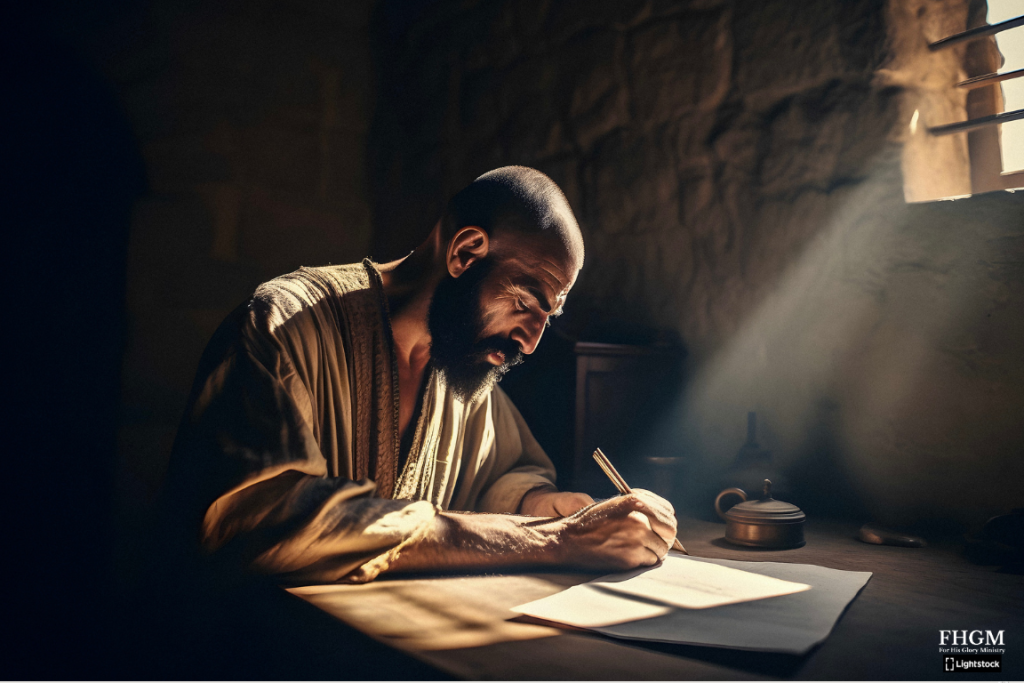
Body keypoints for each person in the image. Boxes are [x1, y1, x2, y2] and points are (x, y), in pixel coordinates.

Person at [162, 166, 677, 585]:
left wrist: (545, 506)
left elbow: (502, 475)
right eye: (524, 303)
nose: (531, 341)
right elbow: (263, 520)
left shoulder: (464, 368)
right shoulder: (283, 326)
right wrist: (555, 540)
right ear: (465, 252)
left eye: (549, 317)